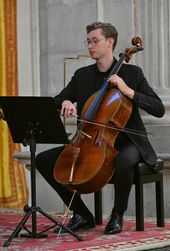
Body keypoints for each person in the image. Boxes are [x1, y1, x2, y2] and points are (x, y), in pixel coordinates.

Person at [35, 22, 165, 235]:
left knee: (123, 160)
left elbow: (158, 108)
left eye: (95, 41)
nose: (90, 46)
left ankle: (117, 214)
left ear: (110, 42)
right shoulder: (82, 75)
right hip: (89, 140)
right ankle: (82, 214)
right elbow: (58, 99)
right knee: (44, 160)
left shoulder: (132, 73)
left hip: (127, 142)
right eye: (88, 41)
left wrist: (128, 91)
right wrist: (65, 103)